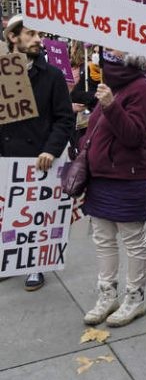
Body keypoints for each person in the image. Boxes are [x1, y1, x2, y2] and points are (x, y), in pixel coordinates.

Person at [80, 48, 146, 328]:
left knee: (133, 240)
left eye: (119, 46)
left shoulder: (142, 90)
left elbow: (135, 136)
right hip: (100, 176)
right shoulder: (107, 85)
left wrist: (112, 106)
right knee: (102, 238)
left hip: (127, 177)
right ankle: (107, 295)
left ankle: (135, 298)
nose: (112, 49)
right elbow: (95, 131)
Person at [0, 15, 75, 291]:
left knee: (37, 217)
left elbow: (64, 119)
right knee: (8, 214)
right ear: (13, 37)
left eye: (39, 34)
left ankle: (35, 267)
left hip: (40, 158)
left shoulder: (51, 75)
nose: (37, 40)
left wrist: (51, 150)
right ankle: (10, 262)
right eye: (30, 34)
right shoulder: (3, 71)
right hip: (7, 157)